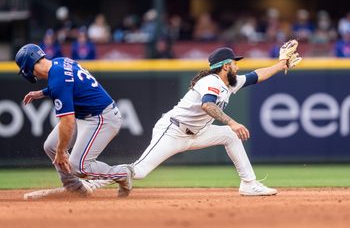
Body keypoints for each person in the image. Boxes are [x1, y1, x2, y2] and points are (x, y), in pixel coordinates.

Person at [132, 40, 302, 196]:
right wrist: (232, 122)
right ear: (226, 66)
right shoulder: (211, 81)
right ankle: (104, 177)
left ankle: (249, 184)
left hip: (198, 133)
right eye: (235, 63)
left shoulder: (229, 83)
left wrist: (281, 64)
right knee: (139, 172)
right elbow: (207, 105)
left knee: (231, 135)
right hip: (174, 131)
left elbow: (257, 75)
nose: (237, 67)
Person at [15, 44, 133, 197]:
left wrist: (62, 151)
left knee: (78, 166)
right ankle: (75, 187)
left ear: (28, 67)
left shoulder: (57, 81)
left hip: (103, 118)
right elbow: (69, 84)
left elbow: (68, 121)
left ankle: (122, 173)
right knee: (51, 146)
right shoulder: (60, 61)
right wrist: (43, 92)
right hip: (86, 115)